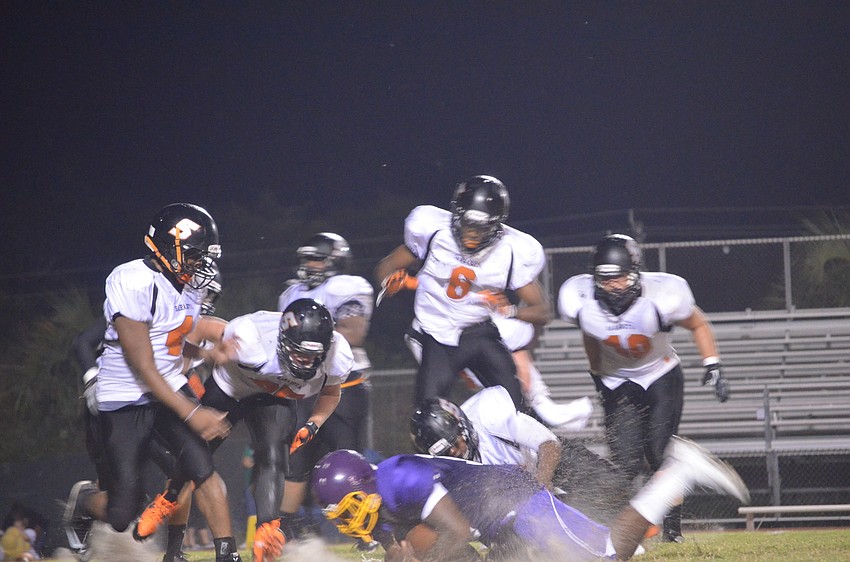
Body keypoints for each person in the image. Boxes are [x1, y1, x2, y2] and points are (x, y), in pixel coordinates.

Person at [60, 203, 242, 562]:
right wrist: (192, 413)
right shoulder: (132, 280)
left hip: (167, 385)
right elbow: (142, 364)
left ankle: (228, 555)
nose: (200, 264)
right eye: (194, 255)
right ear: (168, 247)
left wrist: (208, 354)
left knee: (201, 469)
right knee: (122, 513)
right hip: (125, 398)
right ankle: (84, 502)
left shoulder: (189, 287)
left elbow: (171, 338)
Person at [134, 298, 353, 562]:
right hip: (231, 388)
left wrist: (313, 423)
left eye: (313, 356)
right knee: (195, 455)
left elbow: (331, 393)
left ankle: (267, 529)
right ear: (283, 341)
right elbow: (203, 327)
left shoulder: (337, 354)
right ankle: (168, 499)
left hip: (275, 397)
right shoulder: (250, 339)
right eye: (299, 354)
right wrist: (196, 358)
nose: (306, 363)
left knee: (274, 454)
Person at [311, 436, 749, 562]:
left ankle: (680, 471)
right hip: (492, 524)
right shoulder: (379, 504)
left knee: (608, 553)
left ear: (365, 485)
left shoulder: (402, 477)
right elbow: (409, 549)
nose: (348, 522)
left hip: (512, 501)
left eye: (349, 508)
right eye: (339, 517)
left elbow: (457, 533)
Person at [557, 233, 731, 543]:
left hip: (660, 375)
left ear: (635, 273)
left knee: (659, 452)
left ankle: (672, 530)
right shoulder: (581, 301)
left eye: (620, 277)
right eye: (605, 278)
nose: (614, 285)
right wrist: (596, 371)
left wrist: (713, 364)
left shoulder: (662, 296)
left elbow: (698, 323)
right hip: (617, 381)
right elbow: (590, 332)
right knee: (625, 465)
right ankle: (630, 527)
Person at [374, 175, 550, 409]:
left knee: (516, 409)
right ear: (456, 214)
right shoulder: (434, 232)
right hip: (438, 335)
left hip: (479, 333)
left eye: (481, 227)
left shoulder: (511, 251)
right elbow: (386, 266)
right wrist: (388, 282)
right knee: (427, 416)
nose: (472, 233)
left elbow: (543, 312)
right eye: (468, 224)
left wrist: (510, 311)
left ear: (497, 225)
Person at [276, 232, 374, 540]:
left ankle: (368, 531)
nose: (309, 265)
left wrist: (311, 333)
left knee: (349, 461)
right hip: (305, 387)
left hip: (345, 386)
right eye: (306, 259)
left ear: (336, 262)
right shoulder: (291, 293)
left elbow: (354, 333)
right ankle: (285, 528)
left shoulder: (347, 287)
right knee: (296, 459)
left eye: (316, 259)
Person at [410, 390, 634, 524]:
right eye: (444, 453)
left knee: (614, 486)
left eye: (454, 444)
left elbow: (549, 444)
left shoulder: (490, 416)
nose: (453, 453)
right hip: (514, 493)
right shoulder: (445, 471)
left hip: (547, 464)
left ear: (462, 426)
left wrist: (541, 483)